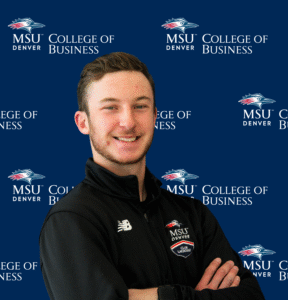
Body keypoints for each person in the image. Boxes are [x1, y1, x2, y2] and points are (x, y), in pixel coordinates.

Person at [39, 52, 265, 300]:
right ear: (83, 123)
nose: (128, 122)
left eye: (140, 106)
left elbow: (251, 296)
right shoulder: (72, 220)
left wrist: (159, 296)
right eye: (110, 107)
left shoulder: (192, 214)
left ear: (155, 116)